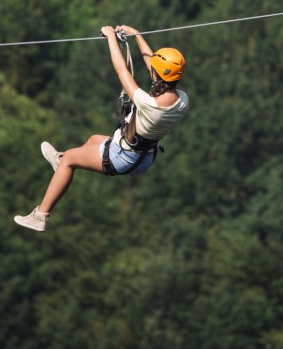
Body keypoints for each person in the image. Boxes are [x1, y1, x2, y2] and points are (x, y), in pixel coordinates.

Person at [14, 25, 190, 232]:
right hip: (145, 157)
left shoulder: (149, 104)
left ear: (156, 74)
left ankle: (40, 215)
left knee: (71, 160)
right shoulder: (183, 100)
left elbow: (121, 70)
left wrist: (110, 38)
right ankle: (61, 162)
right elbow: (153, 66)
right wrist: (137, 36)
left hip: (123, 157)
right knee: (94, 139)